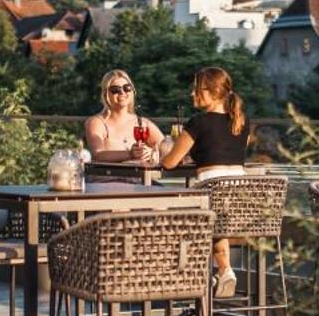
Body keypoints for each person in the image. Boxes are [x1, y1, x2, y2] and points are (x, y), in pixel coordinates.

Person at [157, 66, 249, 298]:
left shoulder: (198, 122)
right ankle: (224, 270)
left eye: (196, 89)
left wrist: (162, 149)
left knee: (181, 214)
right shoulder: (241, 122)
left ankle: (185, 279)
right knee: (215, 219)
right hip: (242, 201)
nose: (191, 94)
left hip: (212, 195)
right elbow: (226, 153)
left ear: (213, 91)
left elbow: (169, 163)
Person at [82, 69, 165, 165]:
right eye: (115, 90)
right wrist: (130, 154)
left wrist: (152, 153)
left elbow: (166, 148)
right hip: (107, 179)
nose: (122, 92)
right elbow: (98, 154)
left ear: (132, 91)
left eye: (127, 88)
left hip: (138, 178)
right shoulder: (97, 122)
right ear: (105, 94)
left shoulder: (142, 123)